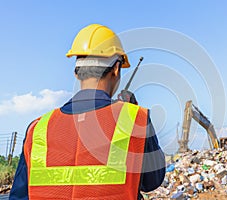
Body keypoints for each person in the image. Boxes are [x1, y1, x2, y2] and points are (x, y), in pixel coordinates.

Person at [10, 24, 165, 200]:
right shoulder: (135, 118)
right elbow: (152, 180)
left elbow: (19, 195)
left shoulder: (38, 128)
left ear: (77, 73)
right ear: (115, 69)